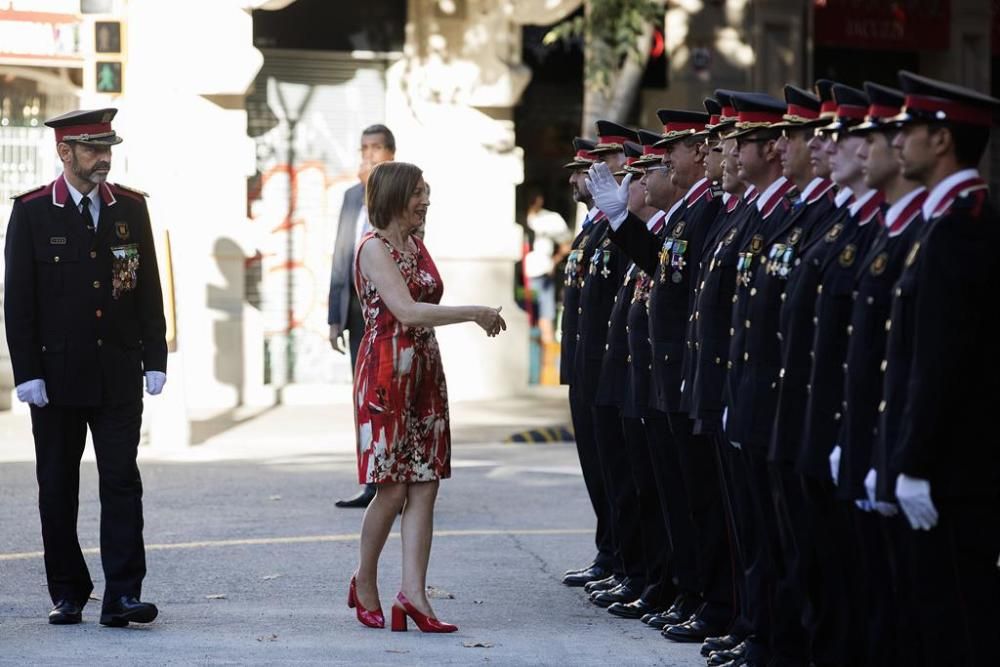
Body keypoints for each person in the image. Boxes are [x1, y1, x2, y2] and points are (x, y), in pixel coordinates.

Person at [3, 108, 167, 627]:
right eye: (93, 149)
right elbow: (18, 302)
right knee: (57, 485)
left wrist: (154, 356)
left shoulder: (130, 209)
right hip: (55, 377)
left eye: (107, 147)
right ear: (64, 152)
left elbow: (147, 288)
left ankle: (122, 594)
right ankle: (68, 592)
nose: (104, 158)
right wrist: (26, 371)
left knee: (121, 481)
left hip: (117, 370)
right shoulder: (31, 212)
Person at [347, 161, 506, 632]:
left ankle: (414, 594)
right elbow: (407, 311)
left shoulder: (416, 245)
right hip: (385, 373)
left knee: (426, 482)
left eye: (427, 193)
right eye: (418, 193)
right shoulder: (372, 249)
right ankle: (365, 580)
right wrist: (474, 311)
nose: (425, 201)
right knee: (392, 486)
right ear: (396, 196)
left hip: (423, 372)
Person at [328, 124, 396, 509]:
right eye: (364, 147)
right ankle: (371, 481)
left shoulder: (403, 191)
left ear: (391, 153)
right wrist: (333, 314)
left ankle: (393, 480)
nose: (368, 154)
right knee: (364, 397)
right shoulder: (352, 195)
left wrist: (377, 193)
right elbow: (340, 254)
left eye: (376, 148)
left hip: (390, 305)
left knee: (389, 397)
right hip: (356, 309)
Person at [522, 186, 571, 348]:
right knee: (527, 318)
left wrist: (553, 261)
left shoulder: (550, 219)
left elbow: (566, 245)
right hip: (522, 277)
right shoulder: (521, 219)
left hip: (541, 274)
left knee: (545, 318)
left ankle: (547, 366)